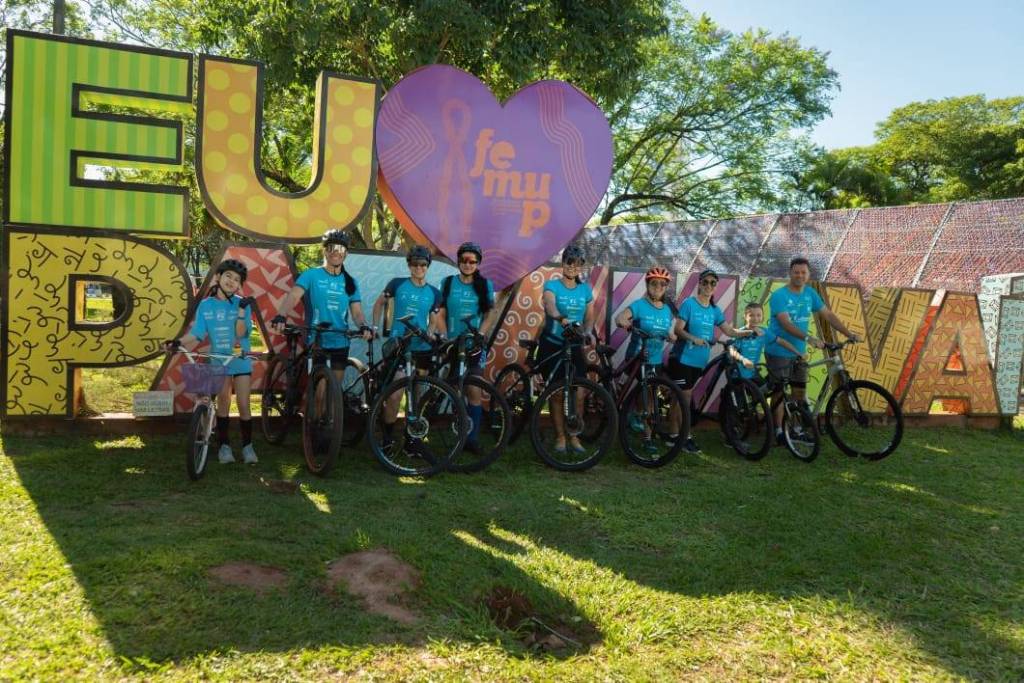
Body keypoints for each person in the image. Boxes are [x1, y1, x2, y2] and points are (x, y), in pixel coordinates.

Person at [166, 258, 257, 465]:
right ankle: (224, 446)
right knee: (223, 402)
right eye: (228, 276)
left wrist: (241, 312)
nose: (231, 281)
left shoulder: (243, 304)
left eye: (237, 279)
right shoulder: (206, 305)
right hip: (218, 360)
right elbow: (197, 334)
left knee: (244, 404)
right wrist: (177, 342)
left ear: (240, 284)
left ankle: (248, 446)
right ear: (218, 277)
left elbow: (241, 334)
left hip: (239, 360)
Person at [765, 257, 860, 444]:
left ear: (808, 275)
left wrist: (848, 334)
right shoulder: (779, 296)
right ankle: (778, 431)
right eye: (796, 272)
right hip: (778, 351)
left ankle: (796, 429)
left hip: (799, 353)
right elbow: (785, 324)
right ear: (790, 273)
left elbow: (828, 315)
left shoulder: (810, 293)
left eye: (803, 272)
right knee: (779, 391)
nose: (800, 275)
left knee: (799, 392)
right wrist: (810, 339)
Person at [666, 269, 752, 455]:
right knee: (683, 398)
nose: (709, 286)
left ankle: (673, 435)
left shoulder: (714, 310)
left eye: (713, 283)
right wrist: (693, 338)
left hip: (698, 362)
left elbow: (729, 331)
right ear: (699, 284)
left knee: (679, 398)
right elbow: (678, 330)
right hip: (682, 358)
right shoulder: (689, 304)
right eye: (705, 282)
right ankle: (684, 437)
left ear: (716, 286)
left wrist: (749, 331)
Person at [371, 244, 445, 446]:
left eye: (423, 264)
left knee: (418, 396)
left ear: (428, 266)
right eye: (414, 264)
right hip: (399, 346)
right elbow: (379, 303)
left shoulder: (434, 293)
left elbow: (434, 319)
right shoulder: (397, 284)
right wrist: (375, 326)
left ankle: (411, 438)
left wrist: (430, 332)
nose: (418, 268)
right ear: (409, 265)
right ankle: (387, 438)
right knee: (395, 394)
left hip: (422, 349)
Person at [270, 229, 374, 374]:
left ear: (346, 253)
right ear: (324, 251)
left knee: (335, 385)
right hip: (316, 339)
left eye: (340, 248)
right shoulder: (311, 275)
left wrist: (363, 326)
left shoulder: (351, 282)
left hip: (340, 340)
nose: (335, 252)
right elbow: (293, 296)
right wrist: (281, 315)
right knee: (320, 385)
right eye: (331, 247)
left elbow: (357, 313)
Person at [438, 241, 499, 454]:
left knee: (474, 389)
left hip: (474, 344)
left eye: (472, 261)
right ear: (458, 261)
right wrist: (444, 336)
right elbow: (441, 313)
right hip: (452, 343)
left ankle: (471, 439)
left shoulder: (485, 285)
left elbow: (490, 312)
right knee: (454, 389)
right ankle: (460, 432)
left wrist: (481, 334)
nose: (468, 264)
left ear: (478, 263)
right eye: (464, 260)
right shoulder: (447, 283)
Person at [538, 244, 596, 454]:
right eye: (569, 262)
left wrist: (588, 332)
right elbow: (550, 305)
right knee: (556, 395)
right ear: (563, 264)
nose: (573, 267)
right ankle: (560, 437)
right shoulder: (552, 285)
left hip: (575, 344)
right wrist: (560, 318)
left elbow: (589, 316)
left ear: (581, 267)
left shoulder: (585, 289)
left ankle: (574, 436)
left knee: (579, 394)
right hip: (553, 343)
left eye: (577, 263)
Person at [615, 265, 677, 454]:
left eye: (662, 284)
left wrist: (671, 336)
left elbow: (667, 330)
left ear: (666, 287)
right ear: (648, 285)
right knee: (636, 396)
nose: (658, 287)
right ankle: (631, 420)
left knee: (649, 400)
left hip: (655, 361)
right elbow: (620, 317)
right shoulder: (639, 305)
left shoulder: (666, 310)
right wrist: (625, 322)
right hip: (637, 358)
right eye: (654, 283)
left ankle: (647, 437)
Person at [731, 302, 799, 382]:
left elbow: (781, 341)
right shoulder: (739, 332)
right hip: (738, 375)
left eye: (758, 315)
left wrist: (798, 353)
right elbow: (732, 351)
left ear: (762, 317)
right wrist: (743, 360)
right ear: (745, 316)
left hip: (753, 373)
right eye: (751, 315)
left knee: (766, 387)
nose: (755, 319)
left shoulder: (764, 332)